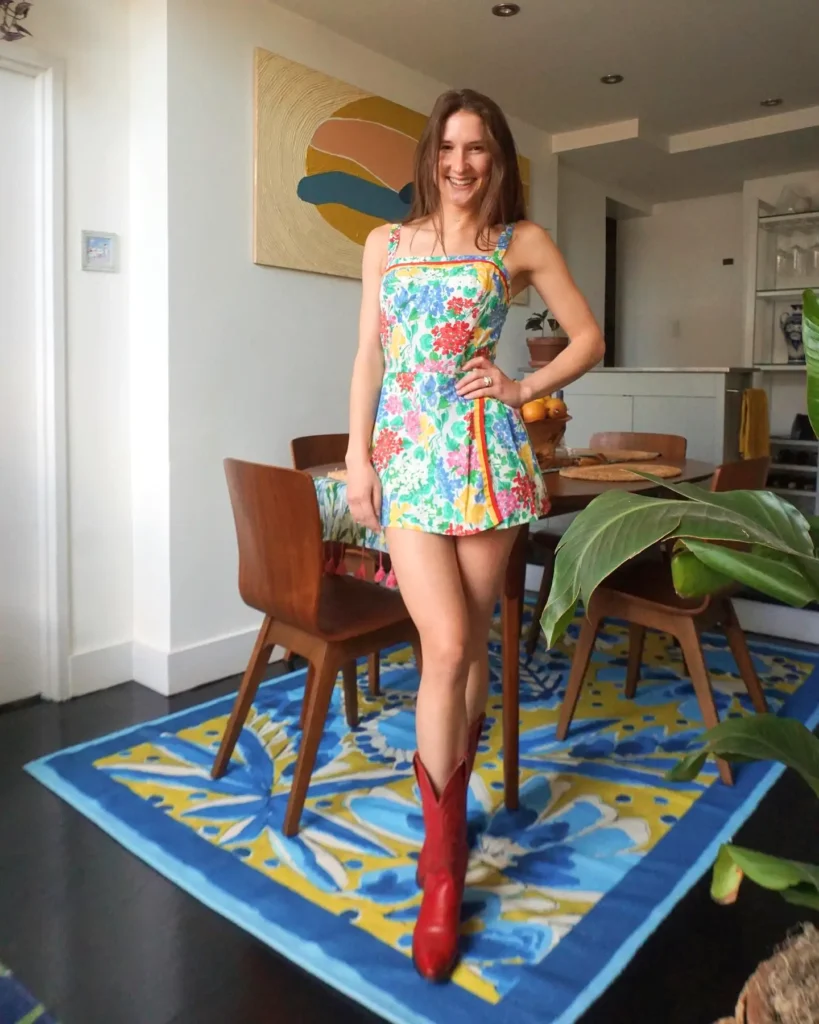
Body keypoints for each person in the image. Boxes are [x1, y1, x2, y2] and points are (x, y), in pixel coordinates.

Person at [345, 88, 605, 982]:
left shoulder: (517, 244)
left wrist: (520, 391)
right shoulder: (385, 243)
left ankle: (452, 808)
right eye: (449, 147)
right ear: (430, 156)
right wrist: (356, 456)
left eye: (479, 150)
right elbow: (369, 355)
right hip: (407, 461)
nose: (461, 164)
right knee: (447, 645)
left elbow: (586, 337)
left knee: (473, 647)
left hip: (487, 458)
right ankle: (440, 871)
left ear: (497, 161)